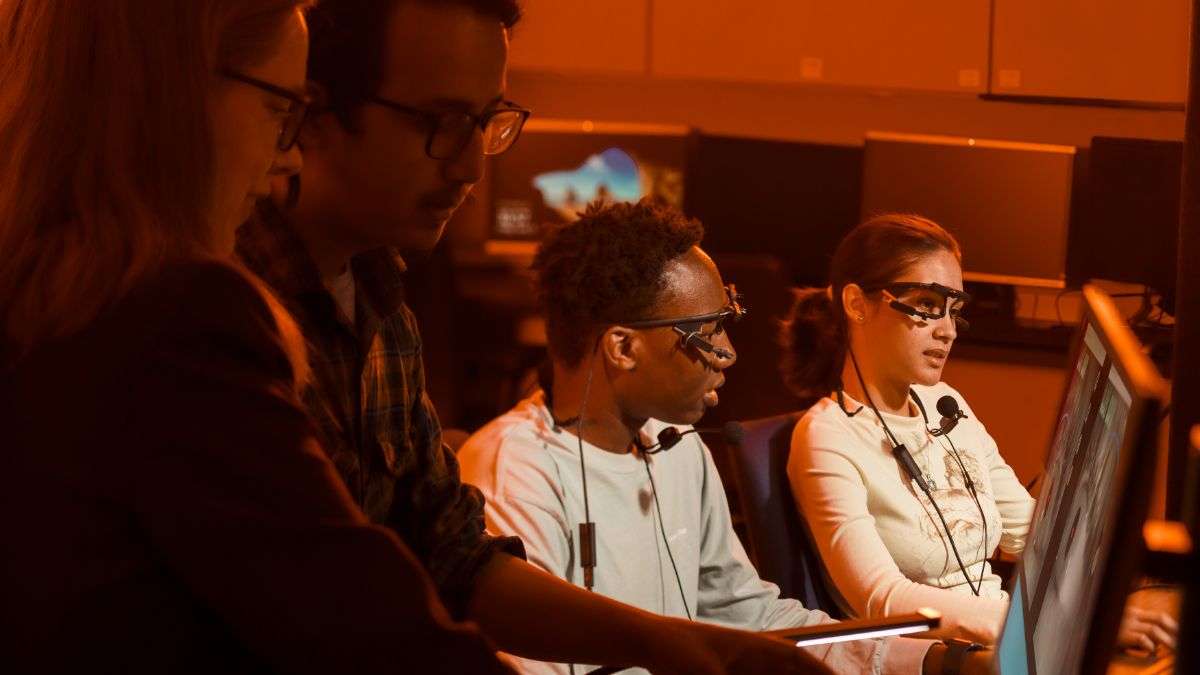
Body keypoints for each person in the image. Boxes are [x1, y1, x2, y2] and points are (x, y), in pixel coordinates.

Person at [234, 1, 828, 672]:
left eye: (485, 125)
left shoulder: (382, 303)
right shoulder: (227, 314)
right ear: (312, 117)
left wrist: (680, 644)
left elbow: (454, 557)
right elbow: (333, 610)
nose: (470, 168)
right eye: (442, 123)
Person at [0, 1, 518, 672]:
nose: (291, 153)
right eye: (282, 109)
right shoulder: (181, 316)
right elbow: (368, 632)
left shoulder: (48, 291)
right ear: (180, 92)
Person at [459, 199, 991, 675]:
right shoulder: (513, 475)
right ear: (623, 348)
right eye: (707, 331)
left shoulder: (678, 446)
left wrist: (936, 662)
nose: (729, 353)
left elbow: (755, 618)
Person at [780, 213, 1177, 651]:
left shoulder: (945, 403)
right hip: (943, 659)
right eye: (927, 307)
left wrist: (1129, 583)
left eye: (954, 312)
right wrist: (1059, 624)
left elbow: (1030, 532)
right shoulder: (826, 438)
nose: (947, 330)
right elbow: (883, 600)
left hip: (1009, 641)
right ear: (857, 304)